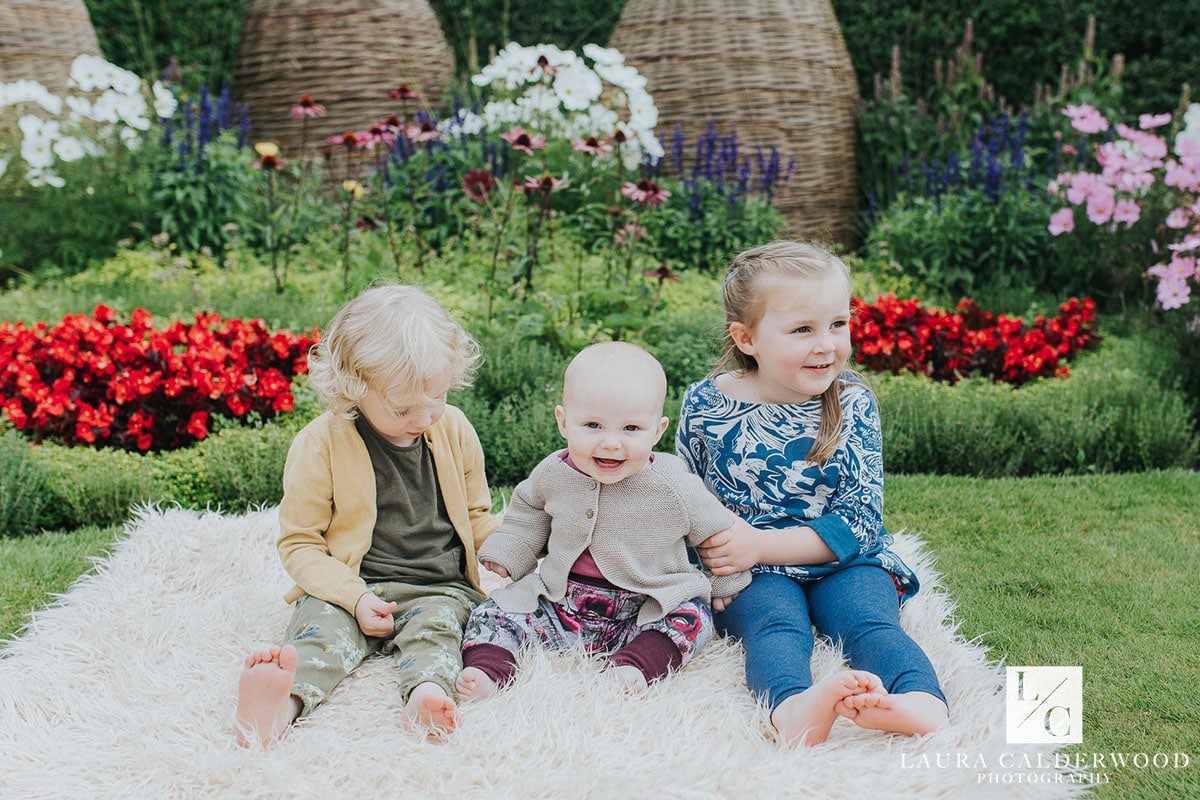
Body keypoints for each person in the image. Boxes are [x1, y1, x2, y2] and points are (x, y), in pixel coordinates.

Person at [677, 241, 950, 747]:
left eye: (837, 324)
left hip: (844, 559)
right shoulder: (707, 403)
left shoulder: (852, 402)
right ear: (748, 338)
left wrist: (763, 544)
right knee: (775, 628)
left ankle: (920, 702)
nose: (826, 344)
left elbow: (861, 519)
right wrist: (699, 572)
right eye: (803, 329)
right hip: (750, 570)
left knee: (870, 624)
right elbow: (687, 496)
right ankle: (793, 708)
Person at [234, 285, 498, 746]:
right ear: (353, 386)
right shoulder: (321, 444)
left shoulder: (453, 429)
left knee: (439, 633)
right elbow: (300, 544)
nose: (424, 417)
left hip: (436, 586)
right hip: (352, 584)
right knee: (320, 638)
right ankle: (279, 706)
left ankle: (426, 695)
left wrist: (519, 546)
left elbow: (477, 516)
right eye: (402, 408)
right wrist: (353, 597)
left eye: (435, 397)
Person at [455, 342, 751, 700]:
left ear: (657, 432)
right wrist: (511, 549)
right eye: (593, 425)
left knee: (692, 620)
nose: (611, 443)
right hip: (561, 601)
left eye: (631, 429)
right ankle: (489, 668)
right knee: (494, 612)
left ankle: (636, 666)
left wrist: (726, 581)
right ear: (564, 422)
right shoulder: (553, 472)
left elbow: (717, 530)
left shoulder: (673, 484)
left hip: (645, 604)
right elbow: (528, 511)